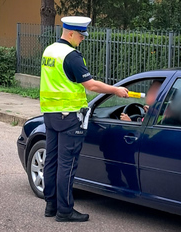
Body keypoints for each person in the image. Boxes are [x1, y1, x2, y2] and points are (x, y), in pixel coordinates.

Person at [40, 16, 129, 222]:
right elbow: (91, 86)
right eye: (80, 36)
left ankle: (51, 205)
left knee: (51, 161)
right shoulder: (71, 56)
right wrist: (115, 90)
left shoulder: (49, 51)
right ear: (70, 33)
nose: (82, 39)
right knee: (67, 164)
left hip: (50, 114)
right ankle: (65, 210)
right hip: (70, 116)